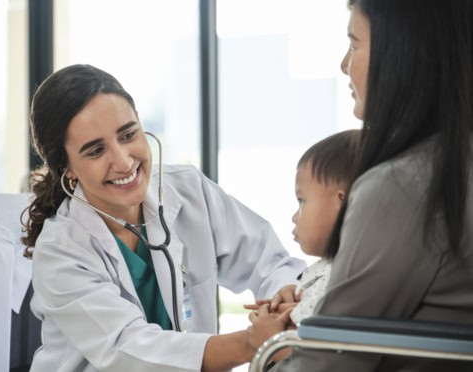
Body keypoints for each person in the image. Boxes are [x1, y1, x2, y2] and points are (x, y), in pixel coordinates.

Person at [21, 64, 306, 372]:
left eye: (128, 134)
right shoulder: (60, 251)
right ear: (67, 168)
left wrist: (285, 300)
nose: (123, 161)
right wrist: (253, 342)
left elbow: (270, 262)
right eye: (95, 151)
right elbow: (128, 351)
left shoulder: (189, 191)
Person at [254, 0, 473, 371]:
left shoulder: (403, 188)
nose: (344, 64)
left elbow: (326, 365)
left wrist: (269, 351)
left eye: (354, 44)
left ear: (404, 56)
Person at [245, 129, 361, 354]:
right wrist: (296, 291)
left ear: (344, 202)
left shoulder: (342, 282)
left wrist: (272, 341)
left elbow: (316, 361)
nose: (295, 217)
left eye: (302, 201)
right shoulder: (341, 268)